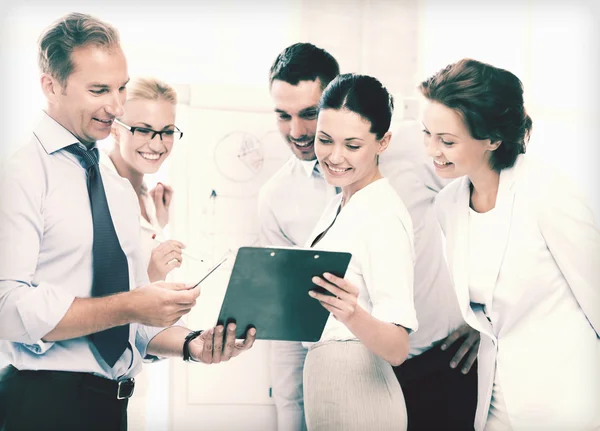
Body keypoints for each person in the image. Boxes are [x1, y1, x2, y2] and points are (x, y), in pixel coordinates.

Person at [0, 13, 255, 431]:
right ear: (50, 86)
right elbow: (6, 308)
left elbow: (128, 325)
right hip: (41, 404)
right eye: (99, 89)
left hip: (110, 408)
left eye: (120, 87)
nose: (116, 106)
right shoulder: (21, 173)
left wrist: (193, 344)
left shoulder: (114, 188)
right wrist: (130, 304)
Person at [260, 42, 477, 431]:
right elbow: (292, 325)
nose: (298, 132)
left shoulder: (415, 151)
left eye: (309, 114)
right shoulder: (283, 198)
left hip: (438, 364)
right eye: (283, 116)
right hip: (346, 381)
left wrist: (484, 317)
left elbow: (491, 193)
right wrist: (291, 417)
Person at [421, 58, 600, 430]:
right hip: (497, 398)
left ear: (492, 139)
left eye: (447, 141)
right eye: (427, 134)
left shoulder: (549, 194)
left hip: (568, 399)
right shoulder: (448, 205)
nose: (432, 150)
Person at [302, 73, 416, 431]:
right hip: (326, 386)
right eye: (325, 140)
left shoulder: (383, 215)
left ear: (383, 142)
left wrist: (351, 314)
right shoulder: (338, 204)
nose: (334, 157)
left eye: (352, 145)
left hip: (362, 394)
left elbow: (398, 347)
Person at [104, 76, 187, 430]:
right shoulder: (99, 191)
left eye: (167, 131)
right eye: (143, 129)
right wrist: (153, 275)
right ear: (115, 129)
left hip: (133, 385)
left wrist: (158, 223)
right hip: (88, 388)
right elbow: (98, 305)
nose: (158, 143)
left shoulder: (150, 201)